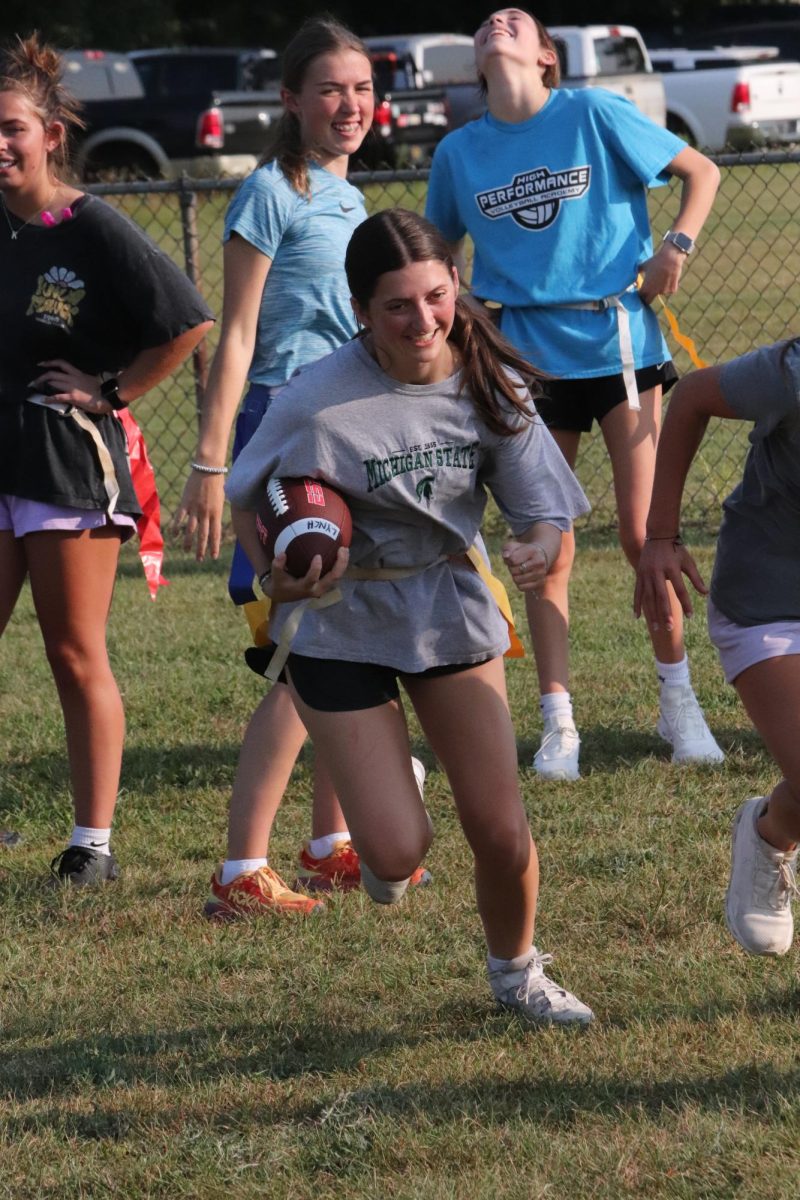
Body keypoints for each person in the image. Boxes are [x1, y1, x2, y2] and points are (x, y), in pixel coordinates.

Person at [225, 207, 595, 1025]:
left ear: (455, 286)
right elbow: (248, 497)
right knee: (393, 857)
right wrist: (276, 577)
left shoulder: (488, 383)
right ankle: (386, 795)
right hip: (338, 615)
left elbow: (544, 517)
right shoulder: (316, 401)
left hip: (444, 599)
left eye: (436, 296)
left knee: (501, 828)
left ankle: (518, 975)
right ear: (361, 310)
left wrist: (536, 548)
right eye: (398, 306)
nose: (423, 320)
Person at [424, 8, 723, 781]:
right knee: (543, 546)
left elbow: (702, 172)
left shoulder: (591, 112)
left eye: (516, 21)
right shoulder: (460, 152)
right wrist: (466, 312)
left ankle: (677, 699)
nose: (499, 22)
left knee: (640, 536)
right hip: (525, 362)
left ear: (546, 58)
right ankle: (559, 724)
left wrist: (675, 247)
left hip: (618, 347)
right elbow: (434, 256)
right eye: (489, 20)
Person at [172, 17, 427, 917]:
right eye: (329, 88)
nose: (349, 104)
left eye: (361, 88)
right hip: (283, 435)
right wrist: (213, 463)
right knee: (298, 648)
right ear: (289, 100)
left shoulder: (352, 202)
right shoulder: (270, 193)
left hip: (345, 434)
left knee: (343, 636)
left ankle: (332, 843)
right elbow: (236, 334)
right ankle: (242, 872)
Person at [0, 34, 213, 884]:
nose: (0, 144)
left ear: (50, 134)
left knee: (72, 651)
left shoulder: (91, 226)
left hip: (61, 459)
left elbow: (188, 320)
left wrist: (112, 390)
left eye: (11, 127)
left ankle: (93, 845)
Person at [635, 339, 800, 959]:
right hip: (770, 600)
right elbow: (693, 396)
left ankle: (775, 828)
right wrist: (660, 536)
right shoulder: (793, 371)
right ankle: (769, 835)